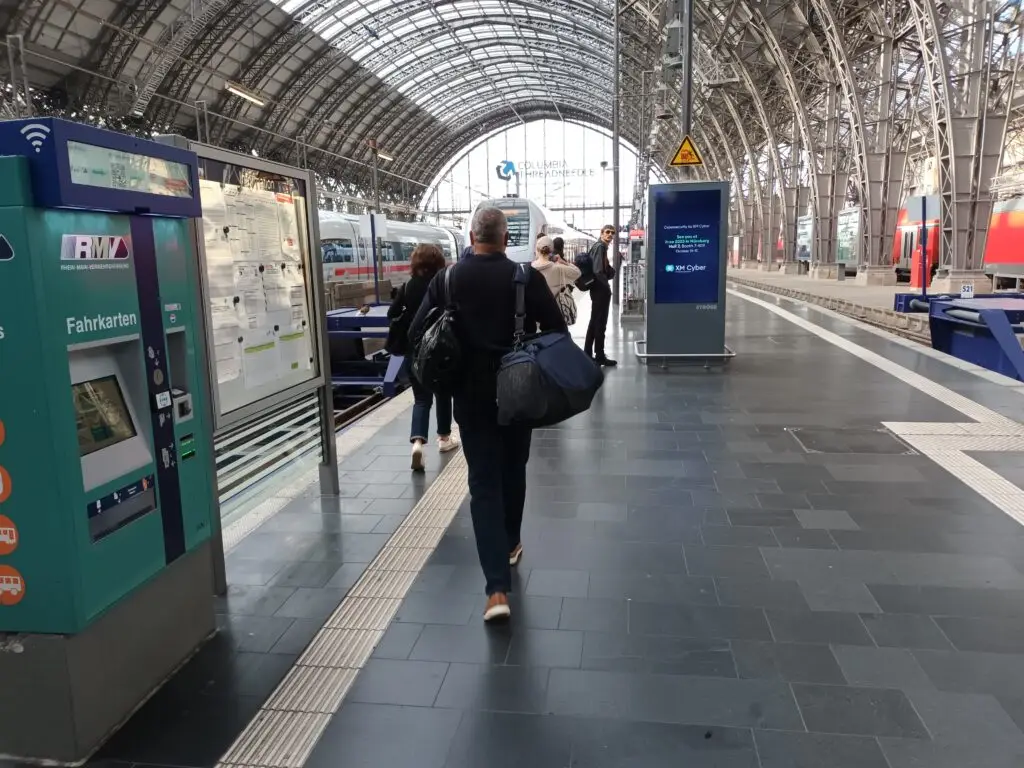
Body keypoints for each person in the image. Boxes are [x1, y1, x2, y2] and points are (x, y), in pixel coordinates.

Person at [410, 207, 566, 622]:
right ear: (504, 237)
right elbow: (557, 331)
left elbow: (415, 335)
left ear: (472, 236)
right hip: (517, 393)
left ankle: (496, 590)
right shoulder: (523, 277)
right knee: (514, 468)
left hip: (470, 396)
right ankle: (512, 541)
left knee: (482, 482)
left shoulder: (446, 279)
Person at [387, 244, 459, 471]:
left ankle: (417, 443)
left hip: (413, 351)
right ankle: (444, 439)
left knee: (421, 399)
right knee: (443, 393)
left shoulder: (408, 286)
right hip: (439, 350)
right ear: (438, 262)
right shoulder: (443, 284)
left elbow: (392, 314)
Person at [576, 225, 617, 367]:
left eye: (612, 233)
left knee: (594, 322)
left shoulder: (598, 246)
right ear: (601, 233)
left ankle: (588, 353)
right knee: (600, 323)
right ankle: (599, 355)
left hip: (597, 289)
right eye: (607, 232)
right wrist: (606, 286)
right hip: (600, 290)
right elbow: (598, 270)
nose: (610, 235)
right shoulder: (600, 247)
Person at [532, 234, 581, 303]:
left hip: (535, 311)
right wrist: (564, 262)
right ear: (551, 249)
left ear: (537, 250)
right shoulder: (558, 268)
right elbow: (577, 273)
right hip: (554, 308)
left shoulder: (530, 268)